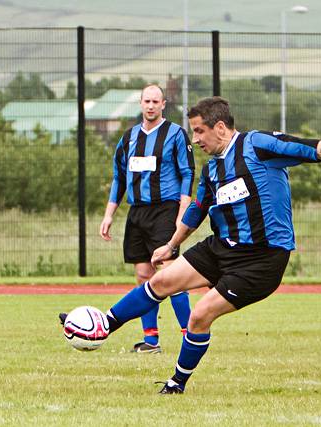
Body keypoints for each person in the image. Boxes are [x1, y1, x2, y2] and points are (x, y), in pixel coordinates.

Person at [69, 96, 321, 393]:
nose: (195, 139)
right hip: (222, 247)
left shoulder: (258, 145)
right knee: (160, 281)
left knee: (199, 315)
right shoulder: (213, 170)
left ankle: (176, 383)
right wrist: (172, 245)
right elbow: (197, 209)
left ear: (221, 128)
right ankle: (104, 324)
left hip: (262, 259)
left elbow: (309, 146)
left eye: (199, 131)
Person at [98, 84, 193, 353]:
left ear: (164, 104)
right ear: (140, 104)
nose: (150, 106)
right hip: (137, 212)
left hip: (165, 209)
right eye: (146, 101)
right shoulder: (128, 138)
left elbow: (187, 173)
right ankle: (151, 340)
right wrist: (108, 215)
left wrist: (181, 214)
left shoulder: (175, 134)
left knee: (170, 273)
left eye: (156, 101)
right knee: (143, 275)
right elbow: (119, 177)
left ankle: (190, 333)